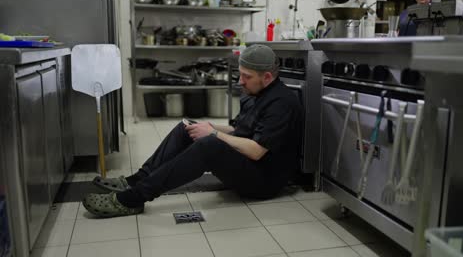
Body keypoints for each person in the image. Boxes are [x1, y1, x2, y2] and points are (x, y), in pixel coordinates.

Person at [82, 44, 303, 218]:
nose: (240, 81)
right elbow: (238, 129)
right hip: (247, 164)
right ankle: (135, 180)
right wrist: (207, 126)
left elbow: (256, 151)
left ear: (267, 77)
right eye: (240, 74)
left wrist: (213, 134)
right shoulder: (255, 93)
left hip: (264, 180)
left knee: (209, 145)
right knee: (186, 126)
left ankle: (133, 199)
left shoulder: (281, 103)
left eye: (247, 76)